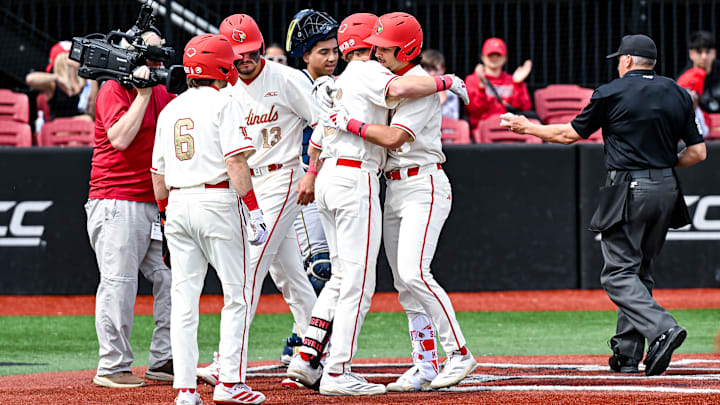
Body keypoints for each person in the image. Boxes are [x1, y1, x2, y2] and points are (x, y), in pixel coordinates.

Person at [500, 34, 706, 377]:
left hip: (628, 189)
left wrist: (525, 126)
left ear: (626, 60)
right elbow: (698, 153)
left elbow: (568, 135)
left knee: (616, 275)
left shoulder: (611, 92)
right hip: (668, 189)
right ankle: (627, 355)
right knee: (639, 271)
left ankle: (662, 328)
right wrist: (662, 169)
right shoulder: (678, 92)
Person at [286, 12, 469, 396]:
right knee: (372, 281)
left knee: (401, 275)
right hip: (366, 180)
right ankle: (403, 364)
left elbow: (390, 136)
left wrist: (313, 170)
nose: (379, 52)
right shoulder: (371, 74)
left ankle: (455, 353)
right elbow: (390, 106)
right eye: (377, 45)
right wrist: (448, 80)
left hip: (416, 181)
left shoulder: (364, 81)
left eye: (385, 47)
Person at [196, 13, 320, 385]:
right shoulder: (226, 88)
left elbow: (325, 123)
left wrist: (312, 171)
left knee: (246, 271)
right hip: (250, 184)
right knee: (289, 276)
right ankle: (320, 350)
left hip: (283, 176)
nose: (243, 58)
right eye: (236, 53)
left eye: (250, 51)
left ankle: (227, 363)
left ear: (262, 47)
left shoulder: (287, 79)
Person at [152, 33, 265, 405]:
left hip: (178, 203)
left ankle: (185, 389)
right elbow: (235, 161)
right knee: (237, 295)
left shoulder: (170, 108)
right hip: (216, 199)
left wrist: (167, 220)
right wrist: (254, 207)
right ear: (222, 66)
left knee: (184, 299)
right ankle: (229, 382)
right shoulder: (225, 101)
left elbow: (157, 173)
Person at [86, 30, 174, 388]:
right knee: (119, 283)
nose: (157, 62)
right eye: (150, 56)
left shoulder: (163, 92)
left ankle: (164, 358)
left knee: (173, 279)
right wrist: (141, 94)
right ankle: (112, 365)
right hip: (116, 199)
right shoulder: (113, 89)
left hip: (152, 201)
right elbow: (120, 138)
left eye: (159, 56)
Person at [282, 8, 338, 366]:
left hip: (331, 182)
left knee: (332, 268)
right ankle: (304, 339)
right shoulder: (293, 82)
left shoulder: (336, 84)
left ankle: (302, 337)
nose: (332, 57)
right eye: (323, 51)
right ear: (305, 54)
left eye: (334, 50)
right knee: (320, 266)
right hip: (302, 179)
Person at [465, 37, 532, 131]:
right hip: (484, 130)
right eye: (490, 55)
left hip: (510, 129)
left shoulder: (512, 80)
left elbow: (524, 107)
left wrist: (518, 84)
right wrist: (481, 87)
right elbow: (474, 111)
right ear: (483, 57)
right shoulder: (473, 80)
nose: (494, 58)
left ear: (505, 58)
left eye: (498, 55)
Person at [25, 41, 97, 121]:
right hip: (58, 129)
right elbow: (30, 79)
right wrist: (56, 77)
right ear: (64, 58)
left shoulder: (87, 82)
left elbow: (93, 115)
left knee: (87, 120)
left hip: (82, 129)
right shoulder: (53, 84)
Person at [681, 31, 720, 113]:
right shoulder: (685, 78)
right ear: (691, 54)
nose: (704, 57)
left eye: (708, 52)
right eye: (699, 52)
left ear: (715, 53)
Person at [421, 49, 460, 120]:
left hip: (445, 129)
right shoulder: (416, 89)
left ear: (443, 70)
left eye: (435, 70)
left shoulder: (451, 92)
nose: (432, 74)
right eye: (428, 70)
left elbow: (454, 118)